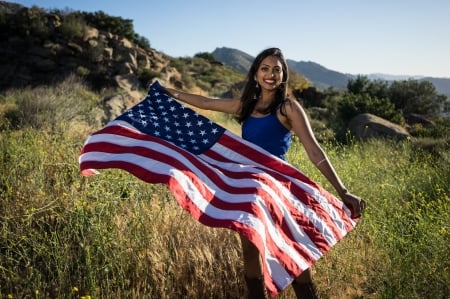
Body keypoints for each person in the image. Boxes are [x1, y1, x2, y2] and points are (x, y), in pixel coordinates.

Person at [163, 47, 366, 299]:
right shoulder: (246, 106)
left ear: (283, 75)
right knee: (250, 250)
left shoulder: (288, 108)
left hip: (275, 188)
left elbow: (314, 151)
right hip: (249, 189)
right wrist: (167, 92)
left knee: (292, 251)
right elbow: (206, 102)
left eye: (276, 70)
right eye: (265, 69)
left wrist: (343, 191)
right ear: (256, 73)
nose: (270, 74)